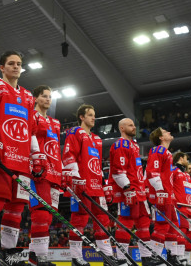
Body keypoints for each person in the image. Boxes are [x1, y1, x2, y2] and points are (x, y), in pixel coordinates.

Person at [0, 51, 46, 266]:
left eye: (19, 64)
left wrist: (37, 155)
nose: (16, 67)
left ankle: (7, 253)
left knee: (16, 208)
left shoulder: (27, 96)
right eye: (11, 64)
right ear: (2, 67)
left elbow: (31, 131)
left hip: (22, 162)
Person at [62, 104, 113, 266]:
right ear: (82, 117)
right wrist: (75, 179)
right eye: (90, 115)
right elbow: (69, 156)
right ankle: (76, 257)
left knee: (103, 221)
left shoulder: (97, 139)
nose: (94, 118)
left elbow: (97, 165)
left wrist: (104, 185)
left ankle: (107, 256)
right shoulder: (75, 132)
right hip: (81, 185)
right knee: (79, 221)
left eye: (94, 115)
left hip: (96, 186)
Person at [108, 118, 154, 265]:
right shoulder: (121, 144)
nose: (134, 127)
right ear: (122, 128)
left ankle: (146, 257)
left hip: (139, 190)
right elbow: (117, 171)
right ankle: (121, 259)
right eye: (130, 125)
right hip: (128, 190)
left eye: (134, 124)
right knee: (126, 221)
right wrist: (127, 188)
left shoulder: (134, 145)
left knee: (144, 222)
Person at [27, 85, 62, 266]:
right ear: (35, 98)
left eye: (49, 96)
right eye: (44, 96)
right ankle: (40, 257)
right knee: (40, 213)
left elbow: (56, 149)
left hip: (54, 172)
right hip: (38, 170)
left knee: (48, 216)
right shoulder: (30, 115)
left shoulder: (55, 123)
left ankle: (34, 255)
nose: (48, 99)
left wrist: (62, 170)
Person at [145, 128, 179, 265]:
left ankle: (171, 256)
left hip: (168, 195)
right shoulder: (157, 150)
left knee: (172, 226)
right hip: (161, 194)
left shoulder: (167, 152)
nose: (169, 132)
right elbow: (152, 173)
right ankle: (155, 256)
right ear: (161, 137)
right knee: (162, 225)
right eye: (166, 132)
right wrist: (160, 192)